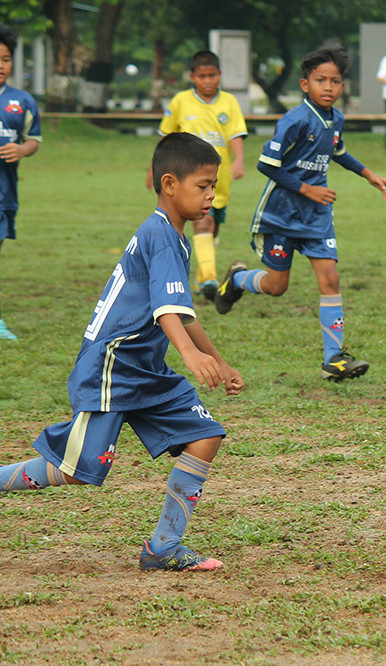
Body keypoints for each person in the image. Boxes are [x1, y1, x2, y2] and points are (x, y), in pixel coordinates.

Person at [0, 132, 244, 571]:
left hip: (143, 368)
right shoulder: (161, 235)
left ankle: (163, 548)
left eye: (214, 185)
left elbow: (182, 313)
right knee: (77, 469)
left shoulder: (174, 236)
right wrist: (190, 356)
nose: (211, 194)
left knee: (206, 436)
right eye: (203, 185)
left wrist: (219, 361)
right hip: (113, 364)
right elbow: (169, 313)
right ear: (169, 183)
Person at [214, 46, 386, 382]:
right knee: (275, 286)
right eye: (320, 80)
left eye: (336, 81)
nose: (328, 87)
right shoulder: (294, 120)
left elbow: (337, 151)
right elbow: (266, 165)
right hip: (282, 215)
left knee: (330, 280)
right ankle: (237, 280)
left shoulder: (335, 119)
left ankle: (334, 359)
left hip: (316, 216)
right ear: (304, 84)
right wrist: (306, 188)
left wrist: (368, 173)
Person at [149, 51, 247, 302]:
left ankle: (201, 279)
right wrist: (154, 167)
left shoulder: (228, 103)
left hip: (220, 180)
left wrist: (239, 160)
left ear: (219, 76)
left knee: (212, 230)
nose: (207, 81)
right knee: (204, 223)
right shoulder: (181, 101)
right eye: (202, 76)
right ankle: (211, 280)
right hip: (189, 180)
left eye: (212, 75)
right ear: (192, 77)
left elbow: (235, 133)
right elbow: (166, 137)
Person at [0, 23, 41, 341]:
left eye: (5, 59)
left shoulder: (21, 101)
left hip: (4, 193)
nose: (1, 65)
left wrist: (21, 149)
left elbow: (33, 140)